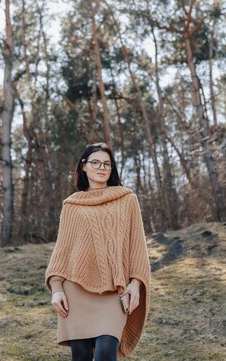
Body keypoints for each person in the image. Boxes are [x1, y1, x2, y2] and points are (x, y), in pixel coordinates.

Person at [44, 142, 152, 361]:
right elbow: (62, 250)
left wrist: (136, 283)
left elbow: (137, 245)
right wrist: (56, 288)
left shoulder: (127, 199)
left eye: (107, 164)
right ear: (84, 166)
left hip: (115, 291)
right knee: (81, 356)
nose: (101, 167)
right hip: (76, 290)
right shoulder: (72, 205)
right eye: (95, 162)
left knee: (105, 352)